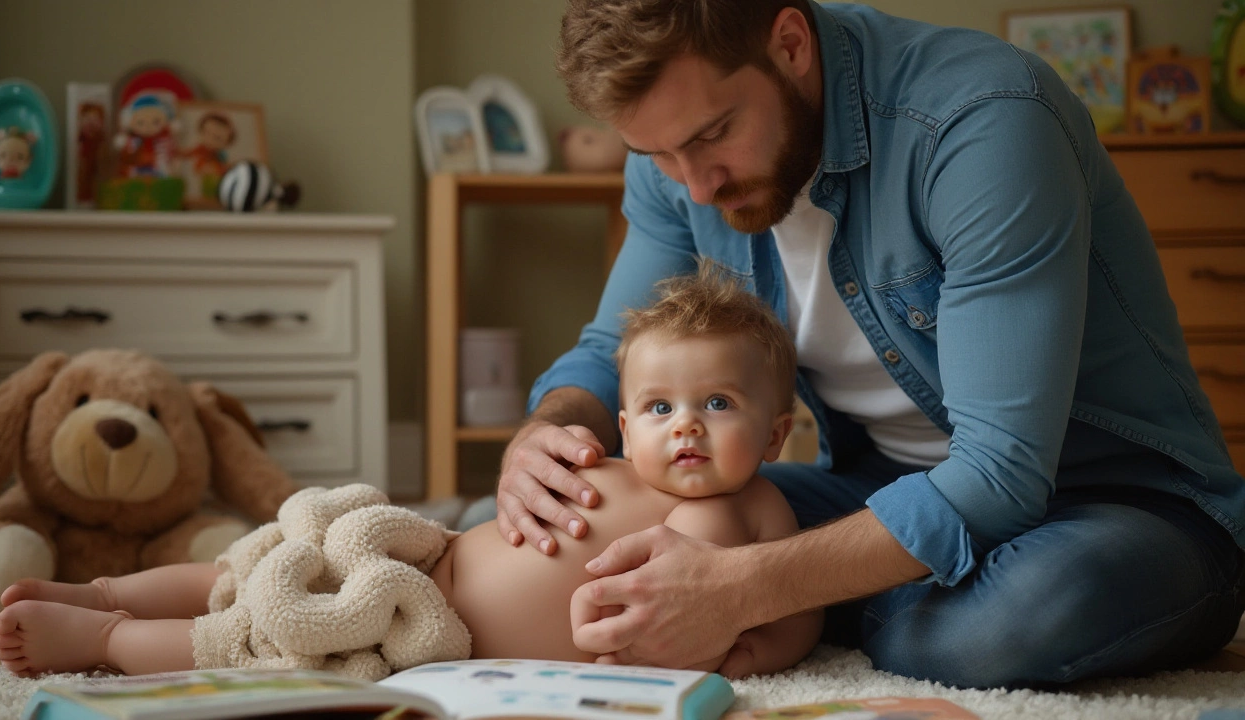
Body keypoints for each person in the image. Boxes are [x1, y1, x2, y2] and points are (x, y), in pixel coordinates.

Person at [495, 0, 1245, 690]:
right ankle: (846, 597)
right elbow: (608, 350)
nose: (693, 186)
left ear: (788, 45)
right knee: (568, 535)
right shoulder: (674, 153)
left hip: (1110, 502)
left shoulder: (982, 122)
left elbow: (1001, 475)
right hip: (873, 487)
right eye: (656, 154)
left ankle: (834, 607)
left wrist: (745, 585)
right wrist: (544, 436)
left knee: (1001, 626)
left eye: (713, 135)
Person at [0, 262, 820, 680]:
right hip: (430, 551)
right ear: (626, 420)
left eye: (717, 405)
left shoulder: (750, 517)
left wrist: (757, 653)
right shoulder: (609, 463)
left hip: (422, 631)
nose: (685, 429)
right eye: (659, 409)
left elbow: (794, 613)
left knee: (263, 638)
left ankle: (106, 639)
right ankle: (102, 591)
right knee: (251, 564)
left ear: (777, 432)